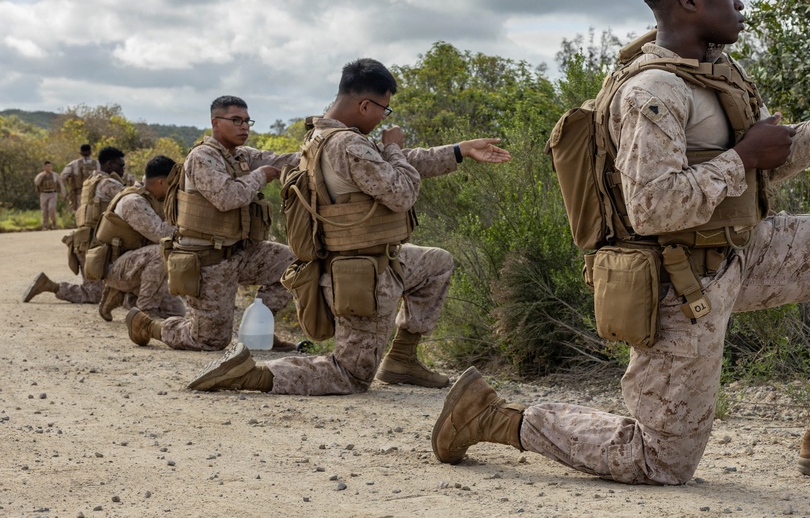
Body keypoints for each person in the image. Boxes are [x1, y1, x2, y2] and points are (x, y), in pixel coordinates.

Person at [431, 0, 810, 484]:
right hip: (679, 282)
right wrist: (741, 157)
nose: (740, 5)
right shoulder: (653, 90)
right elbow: (652, 208)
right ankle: (494, 417)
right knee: (659, 461)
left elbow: (767, 163)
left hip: (740, 249)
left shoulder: (718, 74)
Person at [186, 58, 511, 396]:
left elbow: (387, 165)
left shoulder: (324, 138)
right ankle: (253, 374)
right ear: (364, 104)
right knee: (350, 376)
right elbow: (402, 191)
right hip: (358, 276)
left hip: (377, 262)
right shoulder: (347, 144)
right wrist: (394, 146)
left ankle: (401, 359)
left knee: (436, 263)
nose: (384, 118)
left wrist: (459, 151)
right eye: (383, 110)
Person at [125, 96, 300, 351]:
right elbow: (227, 198)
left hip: (241, 252)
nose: (244, 127)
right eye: (236, 120)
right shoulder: (202, 157)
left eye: (247, 121)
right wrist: (260, 176)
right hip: (208, 260)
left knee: (292, 263)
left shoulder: (241, 156)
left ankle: (260, 330)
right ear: (215, 123)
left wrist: (318, 151)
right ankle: (149, 325)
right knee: (209, 341)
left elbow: (281, 161)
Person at [24, 146, 126, 305]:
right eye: (121, 166)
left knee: (105, 287)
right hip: (92, 245)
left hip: (85, 241)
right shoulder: (108, 183)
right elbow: (132, 198)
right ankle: (50, 286)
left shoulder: (91, 180)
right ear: (109, 165)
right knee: (94, 295)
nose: (123, 170)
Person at [96, 155, 185, 322]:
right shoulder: (134, 202)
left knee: (176, 312)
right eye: (173, 184)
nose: (175, 189)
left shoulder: (155, 198)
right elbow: (161, 234)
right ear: (161, 182)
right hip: (116, 268)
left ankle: (123, 296)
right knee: (162, 252)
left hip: (137, 264)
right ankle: (144, 313)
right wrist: (182, 214)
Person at [61, 144, 99, 213]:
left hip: (79, 193)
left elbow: (63, 176)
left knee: (80, 213)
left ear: (80, 153)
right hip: (94, 193)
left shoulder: (73, 164)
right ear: (90, 152)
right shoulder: (97, 163)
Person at [34, 161, 66, 230]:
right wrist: (43, 175)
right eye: (47, 166)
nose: (49, 168)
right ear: (44, 167)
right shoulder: (40, 175)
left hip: (53, 193)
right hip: (44, 194)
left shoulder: (55, 175)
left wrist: (63, 193)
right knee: (44, 210)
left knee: (51, 208)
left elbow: (61, 184)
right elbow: (37, 183)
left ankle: (54, 222)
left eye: (50, 166)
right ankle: (45, 225)